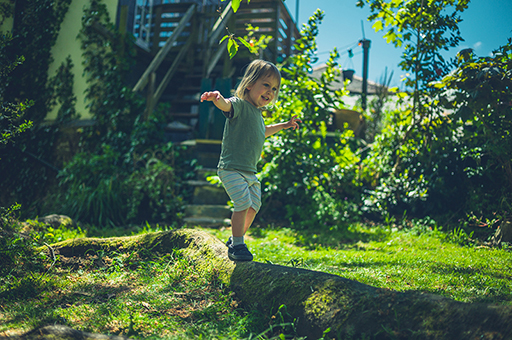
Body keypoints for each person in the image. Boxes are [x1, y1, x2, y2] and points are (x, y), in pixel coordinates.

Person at [200, 59, 301, 262]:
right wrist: (216, 98)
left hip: (249, 172)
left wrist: (284, 125)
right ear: (249, 84)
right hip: (231, 168)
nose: (270, 92)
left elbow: (263, 132)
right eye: (266, 85)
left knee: (254, 205)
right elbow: (226, 105)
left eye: (274, 88)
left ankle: (234, 238)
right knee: (243, 203)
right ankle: (238, 245)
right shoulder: (239, 105)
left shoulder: (258, 114)